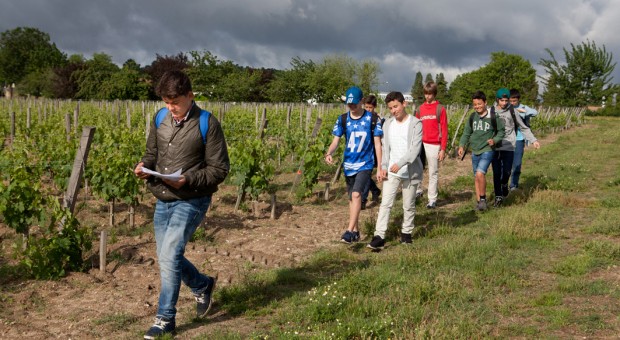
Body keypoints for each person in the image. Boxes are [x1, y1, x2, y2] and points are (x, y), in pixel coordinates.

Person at [134, 70, 230, 339]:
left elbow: (219, 169)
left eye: (175, 102)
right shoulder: (160, 118)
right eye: (166, 102)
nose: (170, 108)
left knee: (168, 256)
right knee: (168, 256)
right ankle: (202, 285)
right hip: (162, 198)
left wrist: (188, 180)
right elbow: (151, 153)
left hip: (192, 199)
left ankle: (166, 319)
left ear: (190, 96)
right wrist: (144, 167)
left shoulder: (207, 123)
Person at [325, 86, 383, 244]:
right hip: (348, 164)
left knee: (357, 194)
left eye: (355, 104)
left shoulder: (372, 119)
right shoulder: (342, 119)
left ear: (362, 101)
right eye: (349, 104)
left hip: (365, 164)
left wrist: (380, 167)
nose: (351, 106)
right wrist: (329, 153)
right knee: (352, 198)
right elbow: (335, 141)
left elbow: (378, 144)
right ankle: (356, 232)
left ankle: (349, 230)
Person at [367, 91, 423, 250]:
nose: (394, 110)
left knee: (408, 205)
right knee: (385, 204)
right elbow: (385, 149)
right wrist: (383, 166)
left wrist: (400, 163)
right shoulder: (387, 124)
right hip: (391, 171)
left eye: (396, 106)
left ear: (404, 104)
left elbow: (415, 150)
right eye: (391, 108)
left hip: (410, 172)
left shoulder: (416, 123)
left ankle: (406, 233)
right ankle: (379, 236)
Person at [491, 88, 540, 207]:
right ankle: (498, 197)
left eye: (506, 100)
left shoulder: (513, 111)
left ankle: (504, 184)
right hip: (495, 145)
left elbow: (523, 127)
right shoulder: (491, 111)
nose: (504, 103)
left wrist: (533, 140)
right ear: (497, 100)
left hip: (509, 145)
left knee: (507, 171)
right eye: (501, 100)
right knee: (496, 172)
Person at [457, 91, 505, 211]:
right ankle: (479, 202)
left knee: (480, 173)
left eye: (479, 104)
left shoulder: (493, 116)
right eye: (475, 104)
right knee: (476, 177)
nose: (477, 106)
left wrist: (495, 140)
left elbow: (501, 132)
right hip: (475, 149)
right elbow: (466, 133)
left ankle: (483, 199)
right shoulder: (473, 117)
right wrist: (461, 145)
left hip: (488, 149)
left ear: (485, 103)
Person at [414, 81, 448, 209]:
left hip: (434, 144)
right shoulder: (419, 109)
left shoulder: (440, 109)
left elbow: (444, 130)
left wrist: (443, 148)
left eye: (430, 94)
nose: (428, 96)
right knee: (417, 168)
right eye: (426, 94)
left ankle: (432, 199)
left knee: (433, 172)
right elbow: (415, 126)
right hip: (420, 143)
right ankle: (418, 190)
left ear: (434, 94)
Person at [509, 88, 538, 191]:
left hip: (519, 139)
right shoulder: (505, 108)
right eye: (510, 101)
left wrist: (523, 111)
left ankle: (513, 185)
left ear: (518, 100)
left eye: (514, 101)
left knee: (516, 164)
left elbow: (535, 112)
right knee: (505, 164)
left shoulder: (523, 107)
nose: (512, 103)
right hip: (507, 139)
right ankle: (503, 184)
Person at [360, 95, 383, 209]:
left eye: (370, 107)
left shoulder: (377, 119)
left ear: (374, 107)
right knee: (363, 174)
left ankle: (363, 201)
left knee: (366, 174)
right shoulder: (362, 117)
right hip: (363, 149)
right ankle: (375, 190)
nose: (368, 109)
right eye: (366, 107)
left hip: (373, 150)